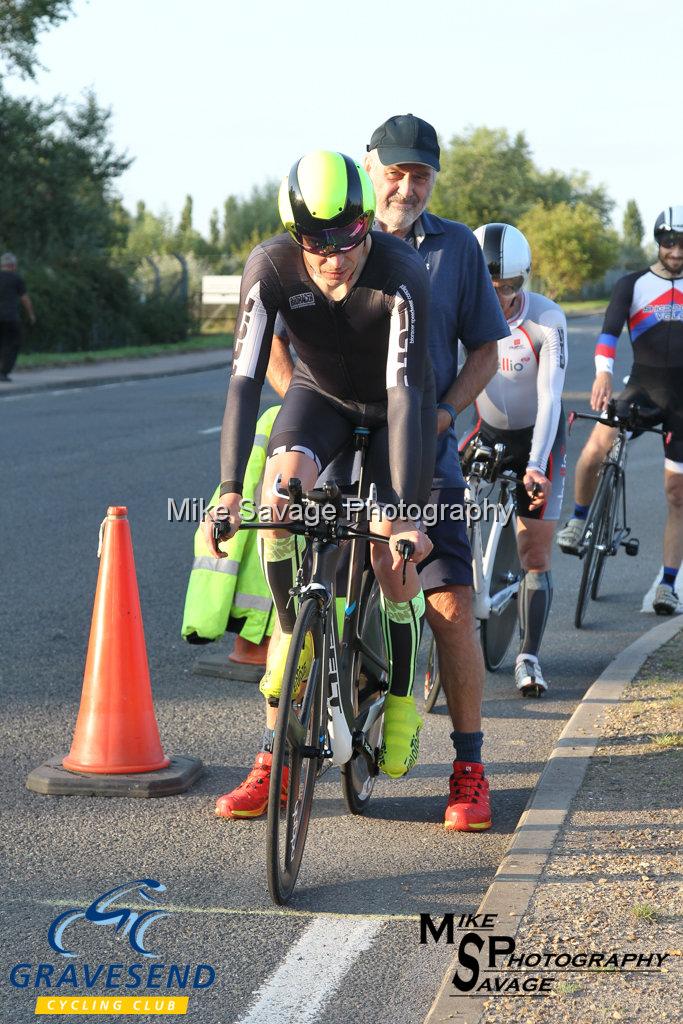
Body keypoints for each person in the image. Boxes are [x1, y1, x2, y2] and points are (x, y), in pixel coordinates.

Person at [267, 115, 509, 832]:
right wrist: (308, 411)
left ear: (433, 179)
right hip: (338, 437)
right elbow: (270, 349)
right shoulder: (316, 238)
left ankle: (468, 767)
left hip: (418, 445)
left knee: (449, 604)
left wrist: (444, 415)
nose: (407, 185)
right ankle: (272, 759)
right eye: (395, 172)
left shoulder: (456, 248)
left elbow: (485, 353)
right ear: (369, 173)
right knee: (301, 586)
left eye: (420, 175)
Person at [203, 149, 436, 819]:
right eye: (315, 242)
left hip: (394, 409)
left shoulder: (400, 273)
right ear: (293, 234)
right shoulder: (270, 266)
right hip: (321, 399)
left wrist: (409, 516)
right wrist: (225, 489)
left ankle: (396, 703)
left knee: (391, 554)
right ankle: (290, 637)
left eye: (348, 238)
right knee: (278, 504)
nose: (333, 257)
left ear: (368, 223)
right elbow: (245, 380)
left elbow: (407, 392)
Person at [557, 207, 683, 615]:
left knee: (677, 494)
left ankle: (667, 585)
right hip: (643, 387)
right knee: (596, 446)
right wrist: (602, 375)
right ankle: (579, 519)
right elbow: (609, 333)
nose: (676, 252)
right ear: (658, 242)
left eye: (682, 244)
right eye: (669, 243)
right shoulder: (634, 284)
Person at [465, 223, 568, 696]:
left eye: (508, 288)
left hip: (536, 440)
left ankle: (528, 655)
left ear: (522, 281)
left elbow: (550, 398)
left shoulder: (547, 320)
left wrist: (537, 462)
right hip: (484, 430)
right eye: (489, 287)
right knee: (441, 518)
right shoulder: (461, 310)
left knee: (534, 553)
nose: (499, 297)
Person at [0, 252, 35, 382]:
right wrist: (31, 314)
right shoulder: (16, 278)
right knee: (12, 343)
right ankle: (3, 372)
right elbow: (25, 299)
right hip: (10, 317)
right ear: (13, 265)